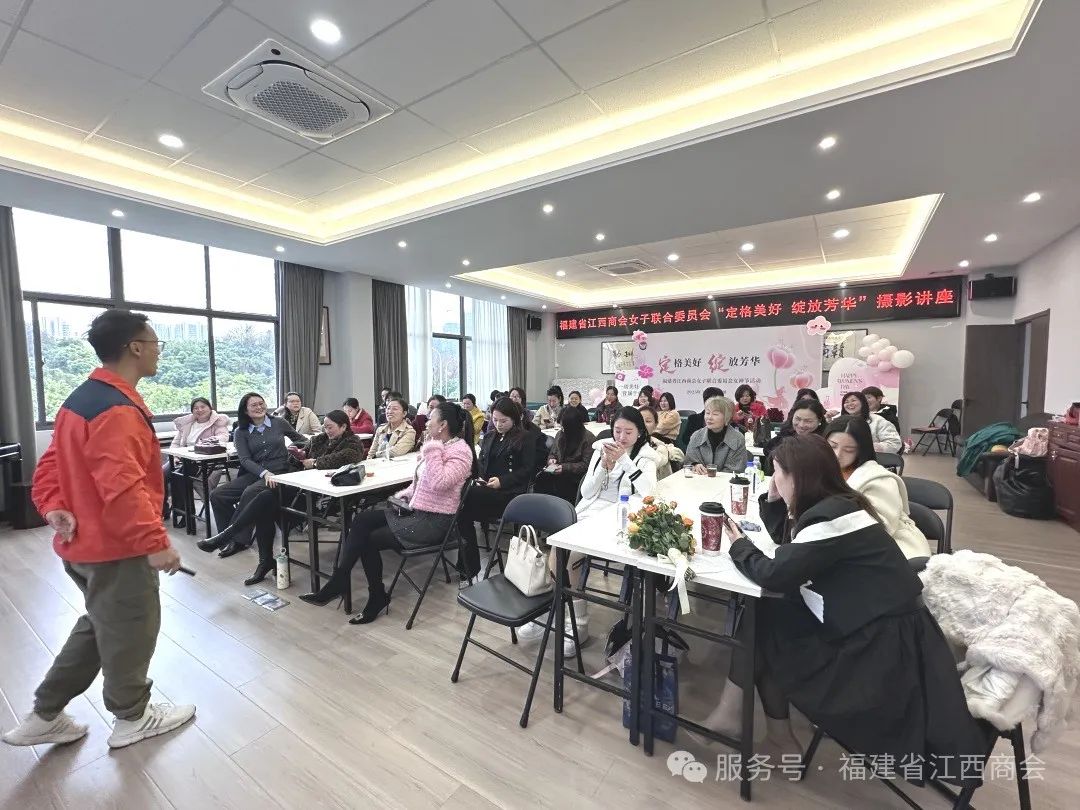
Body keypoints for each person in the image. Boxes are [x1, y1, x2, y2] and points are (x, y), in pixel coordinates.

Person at [703, 434, 984, 782]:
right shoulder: (841, 504)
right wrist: (774, 500)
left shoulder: (831, 519)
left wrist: (738, 544)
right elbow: (793, 549)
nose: (774, 479)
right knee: (767, 615)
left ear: (798, 477)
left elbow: (774, 574)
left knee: (766, 620)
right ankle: (760, 730)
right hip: (882, 629)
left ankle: (746, 722)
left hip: (879, 654)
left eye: (777, 472)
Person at [3, 310, 195, 751]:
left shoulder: (82, 399)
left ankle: (45, 713)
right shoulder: (117, 410)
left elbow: (51, 463)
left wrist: (52, 505)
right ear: (135, 347)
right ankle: (133, 717)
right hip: (116, 547)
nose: (158, 351)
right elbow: (123, 487)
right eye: (155, 343)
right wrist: (154, 542)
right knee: (133, 627)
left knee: (102, 624)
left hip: (83, 545)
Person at [299, 403, 476, 623]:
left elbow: (439, 483)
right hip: (417, 511)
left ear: (443, 425)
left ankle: (374, 595)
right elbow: (422, 482)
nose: (426, 422)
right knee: (362, 520)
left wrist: (432, 449)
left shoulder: (460, 451)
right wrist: (405, 495)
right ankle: (341, 580)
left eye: (431, 418)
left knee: (369, 540)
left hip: (435, 522)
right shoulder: (439, 446)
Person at [202, 392, 307, 563]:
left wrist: (296, 450)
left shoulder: (278, 422)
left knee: (251, 492)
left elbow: (302, 440)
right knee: (218, 495)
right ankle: (228, 536)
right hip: (256, 472)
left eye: (261, 403)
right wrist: (263, 472)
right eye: (254, 405)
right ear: (245, 410)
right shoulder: (240, 431)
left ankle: (237, 540)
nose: (259, 407)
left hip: (280, 472)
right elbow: (245, 460)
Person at [823, 417, 931, 558]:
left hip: (885, 548)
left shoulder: (879, 479)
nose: (837, 455)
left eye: (849, 450)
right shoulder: (822, 470)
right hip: (837, 543)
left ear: (861, 450)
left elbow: (878, 529)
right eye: (832, 446)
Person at [456, 398, 536, 579]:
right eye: (495, 420)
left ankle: (468, 566)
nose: (498, 424)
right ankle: (468, 566)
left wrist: (503, 481)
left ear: (514, 418)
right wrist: (479, 478)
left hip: (510, 496)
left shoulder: (525, 438)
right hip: (486, 491)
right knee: (462, 512)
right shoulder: (490, 436)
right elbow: (481, 464)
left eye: (503, 421)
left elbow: (528, 470)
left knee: (464, 497)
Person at [533, 404, 596, 503]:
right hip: (558, 471)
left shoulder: (588, 439)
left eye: (564, 427)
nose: (562, 429)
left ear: (573, 426)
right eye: (561, 426)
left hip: (575, 477)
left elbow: (586, 465)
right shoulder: (561, 434)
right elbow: (553, 452)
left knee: (561, 485)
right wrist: (551, 459)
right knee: (541, 479)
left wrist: (565, 467)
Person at [760, 399, 827, 475]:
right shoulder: (787, 433)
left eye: (808, 421)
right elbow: (767, 449)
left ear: (819, 421)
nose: (801, 425)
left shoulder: (824, 442)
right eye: (797, 419)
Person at [684, 396, 748, 474]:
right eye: (707, 413)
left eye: (715, 414)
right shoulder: (696, 436)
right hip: (699, 480)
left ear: (726, 417)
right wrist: (695, 465)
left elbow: (735, 469)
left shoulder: (737, 439)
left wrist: (713, 477)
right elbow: (689, 461)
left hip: (726, 481)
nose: (709, 417)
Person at [301, 410, 366, 470]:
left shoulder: (353, 442)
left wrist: (316, 463)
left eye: (330, 427)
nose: (327, 431)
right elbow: (304, 453)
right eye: (325, 428)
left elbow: (345, 457)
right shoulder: (318, 440)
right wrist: (300, 454)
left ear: (343, 427)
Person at [639, 406, 685, 479]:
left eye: (648, 421)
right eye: (640, 420)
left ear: (655, 425)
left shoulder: (656, 442)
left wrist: (667, 451)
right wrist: (664, 452)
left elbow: (680, 455)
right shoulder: (628, 443)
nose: (643, 424)